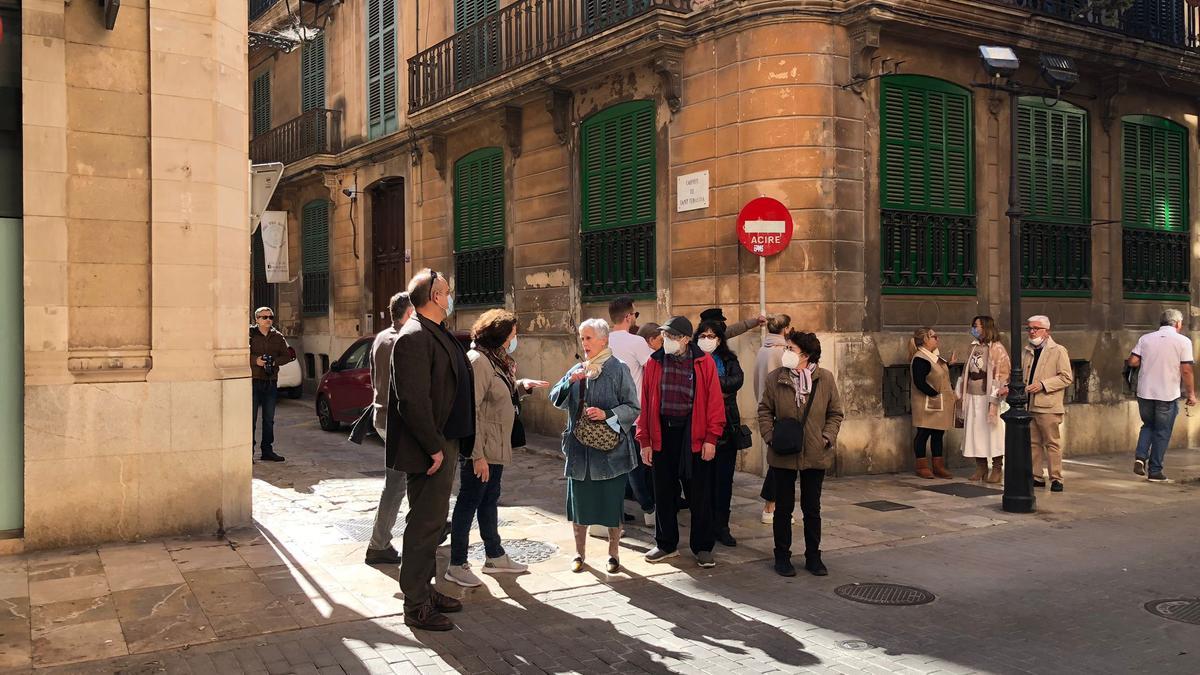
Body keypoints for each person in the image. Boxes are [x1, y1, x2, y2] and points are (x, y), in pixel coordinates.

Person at [385, 268, 474, 632]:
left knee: (434, 522)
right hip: (430, 448)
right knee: (424, 525)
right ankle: (415, 604)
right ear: (435, 296)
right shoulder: (414, 336)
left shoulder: (436, 332)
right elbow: (412, 401)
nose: (450, 296)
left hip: (444, 442)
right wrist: (434, 448)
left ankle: (426, 588)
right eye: (447, 291)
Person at [445, 310, 548, 587]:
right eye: (513, 334)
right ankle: (456, 563)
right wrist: (476, 455)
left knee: (490, 500)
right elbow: (473, 408)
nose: (515, 339)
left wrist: (521, 386)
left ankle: (494, 555)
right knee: (469, 503)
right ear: (500, 336)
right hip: (483, 448)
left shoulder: (495, 361)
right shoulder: (478, 361)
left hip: (496, 444)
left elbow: (497, 391)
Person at [549, 319, 641, 574]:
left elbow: (633, 407)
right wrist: (569, 382)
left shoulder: (619, 369)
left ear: (603, 340)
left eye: (589, 338)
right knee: (580, 507)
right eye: (582, 338)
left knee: (612, 506)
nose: (584, 343)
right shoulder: (578, 369)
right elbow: (555, 398)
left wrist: (607, 414)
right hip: (580, 452)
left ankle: (613, 554)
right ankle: (579, 554)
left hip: (611, 453)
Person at [636, 316, 725, 569]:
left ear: (686, 339)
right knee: (663, 492)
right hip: (662, 433)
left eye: (673, 337)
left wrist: (711, 438)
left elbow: (714, 404)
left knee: (699, 495)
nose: (667, 341)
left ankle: (703, 547)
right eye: (665, 336)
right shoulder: (654, 363)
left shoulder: (703, 362)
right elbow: (646, 402)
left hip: (692, 434)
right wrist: (645, 440)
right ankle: (665, 544)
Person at [757, 331, 844, 577]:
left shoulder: (824, 379)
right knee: (783, 509)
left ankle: (813, 556)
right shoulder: (776, 378)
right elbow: (764, 410)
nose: (786, 352)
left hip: (815, 453)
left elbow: (835, 413)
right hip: (783, 452)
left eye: (790, 348)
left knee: (811, 508)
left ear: (805, 355)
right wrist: (770, 437)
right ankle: (782, 556)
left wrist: (827, 437)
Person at [364, 292, 412, 566]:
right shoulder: (402, 341)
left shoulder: (381, 337)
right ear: (408, 313)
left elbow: (374, 378)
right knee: (396, 484)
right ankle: (378, 544)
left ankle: (383, 541)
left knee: (401, 481)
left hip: (382, 415)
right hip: (398, 421)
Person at [1128, 308, 1197, 482]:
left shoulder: (1146, 338)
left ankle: (1140, 457)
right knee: (1162, 431)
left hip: (1145, 392)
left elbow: (1133, 361)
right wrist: (1191, 394)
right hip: (1167, 393)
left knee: (1148, 425)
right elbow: (1187, 370)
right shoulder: (1183, 341)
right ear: (1178, 324)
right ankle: (1155, 471)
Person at [606, 297, 656, 528]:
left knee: (614, 466)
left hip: (608, 414)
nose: (635, 318)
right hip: (633, 415)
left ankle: (615, 513)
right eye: (635, 315)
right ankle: (648, 510)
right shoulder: (636, 343)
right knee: (634, 465)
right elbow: (653, 370)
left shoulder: (602, 340)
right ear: (628, 317)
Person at [695, 320, 745, 547]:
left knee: (723, 482)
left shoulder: (728, 360)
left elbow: (736, 381)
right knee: (703, 482)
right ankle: (705, 525)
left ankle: (722, 526)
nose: (707, 339)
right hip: (699, 429)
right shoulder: (691, 359)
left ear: (720, 339)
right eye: (703, 335)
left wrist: (711, 383)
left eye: (711, 335)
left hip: (726, 428)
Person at [1022, 315, 1073, 492]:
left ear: (1046, 331)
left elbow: (1066, 377)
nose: (1032, 331)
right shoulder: (1027, 350)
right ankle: (1037, 476)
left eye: (1036, 328)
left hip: (1048, 405)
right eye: (1029, 328)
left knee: (1052, 442)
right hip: (1030, 404)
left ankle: (1056, 478)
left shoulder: (1058, 350)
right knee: (1033, 443)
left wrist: (1044, 385)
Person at [958, 316, 1011, 483]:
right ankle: (980, 466)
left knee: (992, 432)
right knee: (975, 431)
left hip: (988, 397)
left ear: (986, 328)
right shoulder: (974, 347)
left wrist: (995, 395)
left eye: (977, 326)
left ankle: (996, 467)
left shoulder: (997, 348)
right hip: (973, 396)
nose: (974, 329)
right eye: (973, 326)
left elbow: (1003, 373)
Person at [753, 313, 791, 523]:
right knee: (779, 463)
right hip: (780, 414)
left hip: (765, 411)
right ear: (785, 329)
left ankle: (775, 506)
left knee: (777, 462)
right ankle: (771, 506)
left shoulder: (761, 350)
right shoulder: (781, 353)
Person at [908, 327, 956, 479]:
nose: (937, 338)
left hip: (938, 402)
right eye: (934, 336)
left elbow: (937, 373)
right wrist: (935, 394)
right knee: (924, 433)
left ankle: (938, 465)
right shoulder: (920, 358)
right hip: (927, 403)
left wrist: (950, 364)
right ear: (925, 340)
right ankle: (921, 466)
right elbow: (919, 382)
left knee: (938, 433)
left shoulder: (934, 356)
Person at [250, 306, 294, 463]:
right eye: (264, 317)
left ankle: (267, 451)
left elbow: (287, 356)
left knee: (269, 419)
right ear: (257, 319)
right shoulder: (249, 335)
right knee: (251, 418)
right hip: (253, 381)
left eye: (270, 317)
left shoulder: (278, 336)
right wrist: (256, 360)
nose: (268, 320)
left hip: (270, 381)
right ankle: (248, 453)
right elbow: (242, 353)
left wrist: (274, 361)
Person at [699, 307, 766, 341]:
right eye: (718, 323)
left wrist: (756, 321)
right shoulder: (694, 344)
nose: (722, 325)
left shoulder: (719, 336)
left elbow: (734, 329)